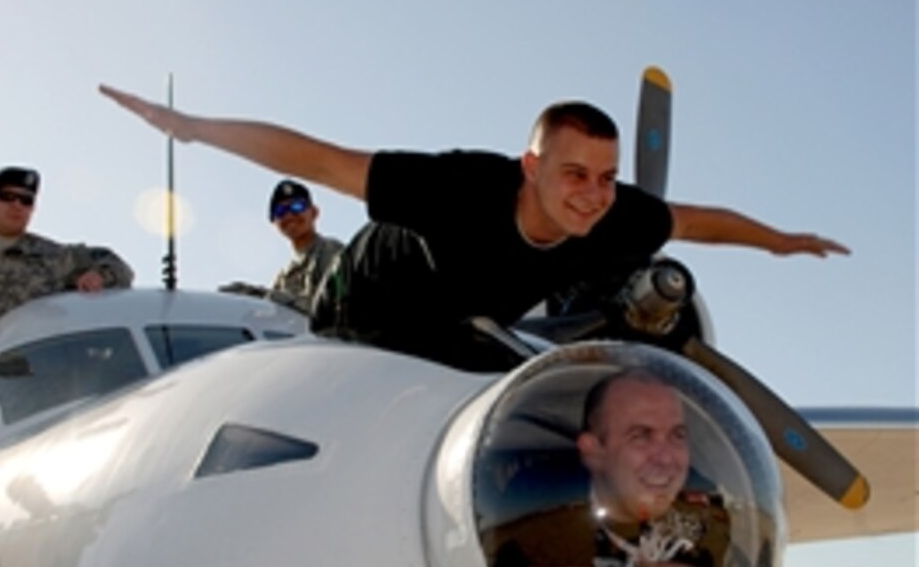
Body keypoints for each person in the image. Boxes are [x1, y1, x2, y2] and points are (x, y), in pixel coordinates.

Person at [98, 85, 849, 361]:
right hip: (354, 317)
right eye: (574, 174)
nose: (593, 194)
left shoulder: (611, 215)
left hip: (455, 335)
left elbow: (692, 221)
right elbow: (324, 161)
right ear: (530, 167)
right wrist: (192, 127)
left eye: (606, 176)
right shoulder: (459, 187)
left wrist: (778, 241)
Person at [491, 369, 751, 567]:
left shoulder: (703, 519)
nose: (666, 459)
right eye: (640, 437)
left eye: (677, 436)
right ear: (593, 451)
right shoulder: (535, 519)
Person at [0, 166, 134, 362]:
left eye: (26, 201)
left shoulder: (52, 256)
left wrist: (99, 275)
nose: (17, 206)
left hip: (35, 372)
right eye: (7, 197)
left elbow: (118, 267)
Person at [220, 179, 344, 314]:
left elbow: (336, 306)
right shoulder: (284, 276)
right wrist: (250, 295)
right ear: (275, 223)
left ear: (314, 212)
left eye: (297, 206)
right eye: (281, 211)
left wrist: (269, 297)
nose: (289, 215)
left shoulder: (331, 251)